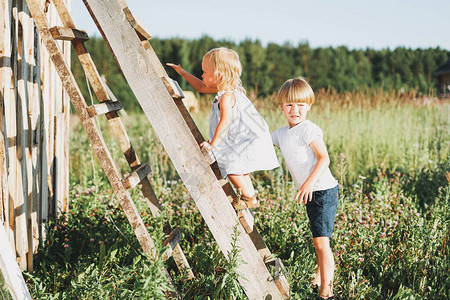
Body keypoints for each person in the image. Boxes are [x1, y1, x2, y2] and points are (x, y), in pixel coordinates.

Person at [167, 47, 279, 209]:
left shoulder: (226, 97)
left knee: (230, 162)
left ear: (219, 75)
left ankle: (249, 197)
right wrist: (182, 72)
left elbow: (225, 121)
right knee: (238, 166)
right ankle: (250, 196)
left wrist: (213, 144)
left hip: (249, 139)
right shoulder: (226, 90)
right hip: (249, 137)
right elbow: (200, 87)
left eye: (205, 72)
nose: (202, 75)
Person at [271, 77, 339, 300]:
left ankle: (326, 293)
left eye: (300, 105)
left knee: (321, 242)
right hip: (311, 192)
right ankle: (319, 278)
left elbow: (324, 158)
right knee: (319, 240)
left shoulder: (308, 129)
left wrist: (308, 183)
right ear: (281, 106)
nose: (295, 110)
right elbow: (262, 142)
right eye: (289, 105)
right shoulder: (282, 134)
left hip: (323, 190)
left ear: (309, 106)